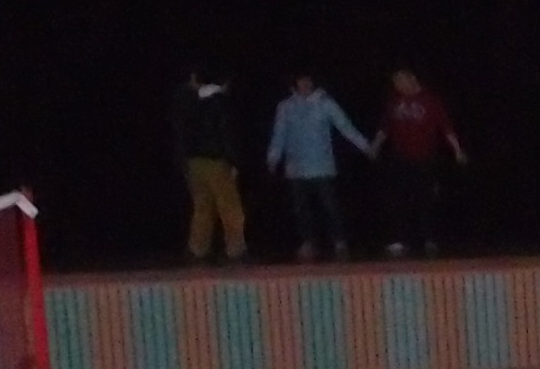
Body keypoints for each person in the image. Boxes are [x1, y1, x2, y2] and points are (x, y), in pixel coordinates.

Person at [269, 72, 374, 263]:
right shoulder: (285, 107)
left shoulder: (326, 103)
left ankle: (339, 241)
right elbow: (280, 133)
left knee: (330, 206)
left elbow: (345, 127)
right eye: (301, 81)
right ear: (294, 84)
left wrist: (366, 146)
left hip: (322, 166)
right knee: (301, 209)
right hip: (295, 167)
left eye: (308, 81)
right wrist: (273, 157)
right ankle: (308, 242)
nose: (305, 84)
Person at [377, 67, 465, 256]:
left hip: (425, 157)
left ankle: (429, 239)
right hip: (400, 157)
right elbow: (385, 127)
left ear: (412, 79)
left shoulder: (430, 100)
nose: (398, 87)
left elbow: (446, 128)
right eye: (395, 84)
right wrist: (375, 145)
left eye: (401, 82)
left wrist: (457, 150)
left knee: (425, 199)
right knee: (398, 199)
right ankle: (402, 239)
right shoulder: (394, 102)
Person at [174, 69, 245, 265]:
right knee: (230, 206)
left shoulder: (189, 101)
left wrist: (182, 162)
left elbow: (180, 133)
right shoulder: (220, 102)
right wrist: (234, 161)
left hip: (193, 161)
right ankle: (235, 249)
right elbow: (226, 133)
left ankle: (197, 249)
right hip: (216, 160)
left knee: (202, 206)